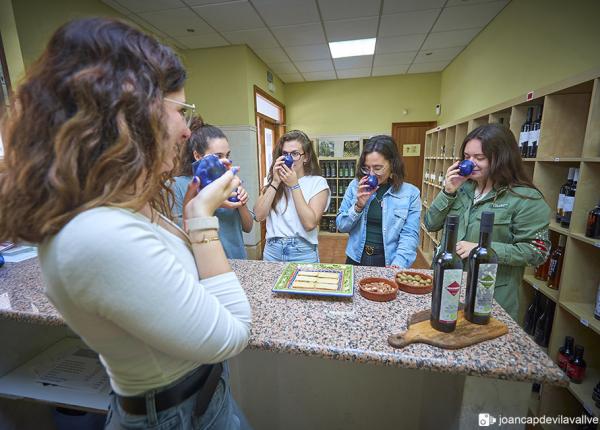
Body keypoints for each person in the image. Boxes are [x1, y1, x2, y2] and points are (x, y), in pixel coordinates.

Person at [0, 18, 253, 429]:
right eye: (181, 111)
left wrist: (191, 217)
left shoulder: (118, 205)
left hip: (203, 399)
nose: (188, 130)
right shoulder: (95, 235)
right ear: (131, 115)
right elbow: (235, 332)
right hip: (174, 416)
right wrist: (200, 218)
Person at [424, 123, 551, 320]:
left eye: (479, 158)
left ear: (502, 158)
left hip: (490, 296)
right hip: (448, 287)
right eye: (467, 157)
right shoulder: (462, 188)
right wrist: (448, 191)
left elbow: (537, 252)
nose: (470, 163)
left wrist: (482, 249)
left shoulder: (526, 198)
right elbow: (431, 224)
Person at [170, 117, 253, 259]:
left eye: (227, 155)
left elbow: (248, 227)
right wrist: (209, 203)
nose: (225, 160)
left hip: (238, 261)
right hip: (203, 265)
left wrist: (242, 204)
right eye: (218, 156)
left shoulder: (229, 181)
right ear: (197, 155)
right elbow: (179, 236)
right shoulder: (178, 185)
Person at [336, 135, 421, 268]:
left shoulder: (410, 194)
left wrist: (398, 264)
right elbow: (341, 226)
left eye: (377, 168)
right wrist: (358, 206)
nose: (371, 175)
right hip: (356, 258)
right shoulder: (355, 186)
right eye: (366, 168)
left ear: (392, 164)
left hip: (390, 262)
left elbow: (409, 235)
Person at [253, 130, 330, 263]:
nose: (289, 159)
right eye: (285, 154)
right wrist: (275, 182)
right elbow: (258, 216)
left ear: (306, 157)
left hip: (302, 252)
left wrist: (294, 185)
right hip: (272, 250)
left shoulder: (317, 182)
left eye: (295, 154)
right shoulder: (273, 182)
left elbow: (310, 223)